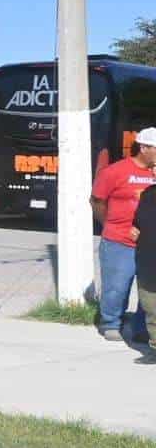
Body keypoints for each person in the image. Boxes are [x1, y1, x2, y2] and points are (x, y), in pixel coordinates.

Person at [90, 127, 156, 345]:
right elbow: (97, 200)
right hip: (119, 241)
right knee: (117, 286)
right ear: (144, 148)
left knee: (148, 288)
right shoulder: (115, 171)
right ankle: (110, 323)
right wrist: (110, 224)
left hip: (148, 245)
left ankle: (141, 328)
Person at [131, 180, 156, 363]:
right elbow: (138, 221)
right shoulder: (148, 194)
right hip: (148, 259)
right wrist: (136, 229)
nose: (154, 170)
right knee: (151, 307)